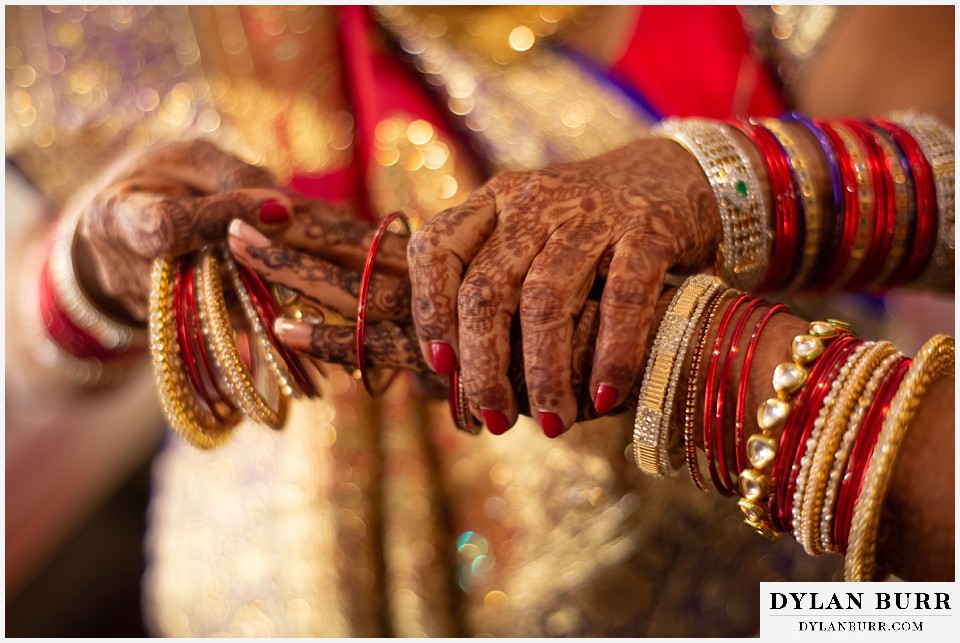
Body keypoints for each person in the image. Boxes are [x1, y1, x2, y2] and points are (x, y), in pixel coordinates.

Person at [5, 5, 953, 637]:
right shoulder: (96, 31)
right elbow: (23, 342)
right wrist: (90, 273)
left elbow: (918, 603)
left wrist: (707, 195)